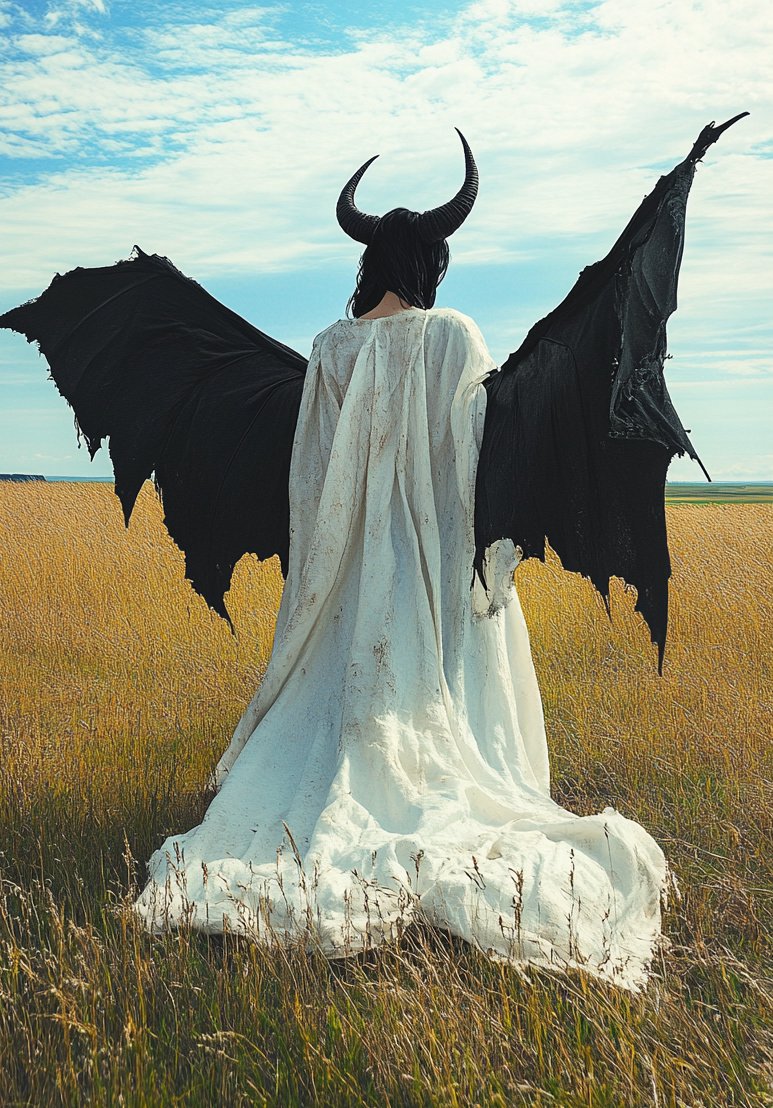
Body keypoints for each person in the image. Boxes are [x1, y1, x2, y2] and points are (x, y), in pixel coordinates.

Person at [134, 140, 669, 992]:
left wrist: (319, 576)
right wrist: (481, 568)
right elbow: (474, 464)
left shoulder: (330, 350)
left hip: (347, 576)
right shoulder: (456, 336)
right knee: (451, 717)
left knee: (342, 721)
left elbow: (309, 482)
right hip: (433, 566)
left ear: (368, 262)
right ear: (432, 263)